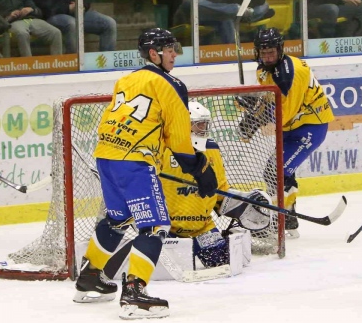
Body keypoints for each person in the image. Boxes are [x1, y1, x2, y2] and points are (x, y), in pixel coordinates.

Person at [73, 28, 218, 320]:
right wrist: (199, 167)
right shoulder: (171, 83)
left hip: (106, 155)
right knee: (155, 227)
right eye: (170, 48)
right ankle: (134, 293)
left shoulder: (126, 79)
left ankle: (90, 277)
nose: (175, 53)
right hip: (134, 160)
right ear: (154, 53)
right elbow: (178, 137)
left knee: (118, 218)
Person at [103, 101, 272, 275]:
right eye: (199, 125)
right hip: (166, 229)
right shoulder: (158, 149)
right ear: (184, 126)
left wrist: (241, 202)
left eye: (205, 125)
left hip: (202, 228)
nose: (203, 131)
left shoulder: (211, 149)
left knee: (223, 262)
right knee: (169, 270)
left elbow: (219, 190)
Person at [237, 28, 335, 238]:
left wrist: (254, 118)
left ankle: (279, 221)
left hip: (310, 126)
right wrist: (252, 115)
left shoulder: (293, 73)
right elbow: (269, 101)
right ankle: (288, 220)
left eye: (271, 52)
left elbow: (283, 115)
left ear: (280, 49)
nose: (268, 56)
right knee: (281, 172)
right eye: (263, 53)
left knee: (275, 171)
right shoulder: (263, 70)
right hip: (292, 128)